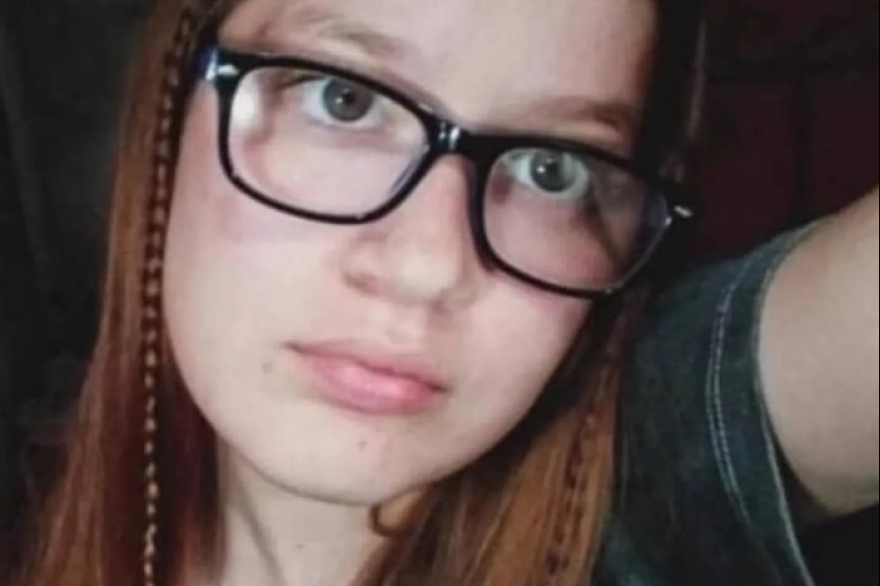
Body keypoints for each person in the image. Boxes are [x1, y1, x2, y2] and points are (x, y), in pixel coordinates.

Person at [8, 0, 878, 585]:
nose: (430, 265)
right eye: (344, 100)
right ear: (169, 110)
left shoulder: (633, 480)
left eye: (553, 169)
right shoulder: (28, 499)